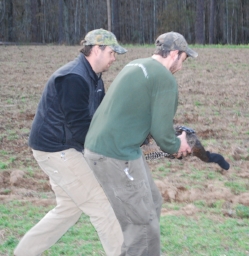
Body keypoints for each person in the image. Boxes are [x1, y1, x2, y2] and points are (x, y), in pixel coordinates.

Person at [14, 28, 127, 256]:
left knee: (69, 209)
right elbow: (80, 130)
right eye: (112, 52)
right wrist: (110, 152)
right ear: (97, 49)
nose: (114, 58)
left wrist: (131, 136)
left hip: (63, 148)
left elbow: (101, 119)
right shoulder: (74, 78)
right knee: (102, 206)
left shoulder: (94, 78)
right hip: (58, 150)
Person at [84, 31, 198, 255]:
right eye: (183, 59)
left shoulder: (136, 65)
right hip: (115, 154)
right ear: (174, 54)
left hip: (112, 148)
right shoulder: (165, 79)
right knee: (143, 224)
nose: (181, 67)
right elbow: (164, 135)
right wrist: (179, 145)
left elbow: (139, 115)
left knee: (153, 201)